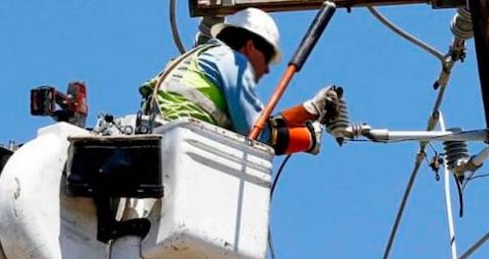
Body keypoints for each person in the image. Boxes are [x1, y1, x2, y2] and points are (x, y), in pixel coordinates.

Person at [140, 8, 340, 155]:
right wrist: (308, 138)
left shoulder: (204, 56)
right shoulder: (234, 61)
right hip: (188, 146)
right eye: (266, 59)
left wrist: (309, 110)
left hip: (162, 143)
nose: (267, 70)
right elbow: (256, 134)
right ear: (251, 47)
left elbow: (262, 123)